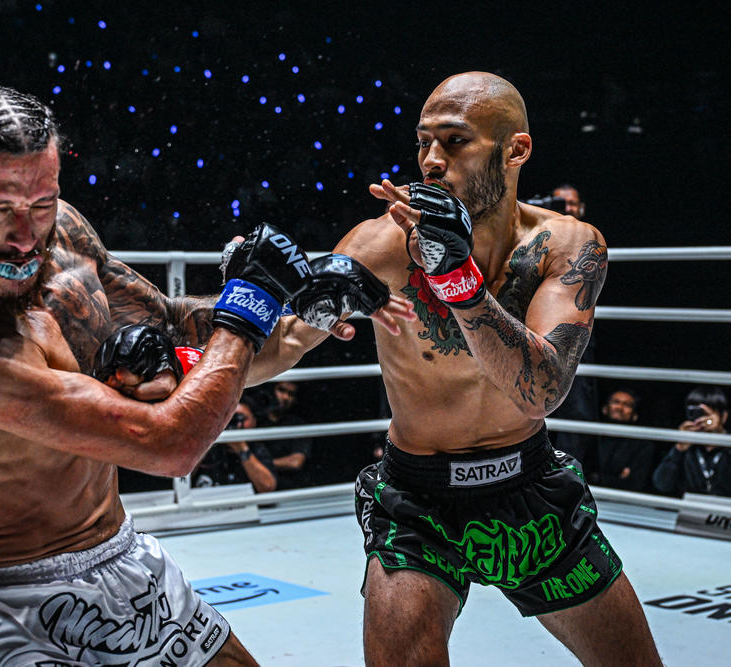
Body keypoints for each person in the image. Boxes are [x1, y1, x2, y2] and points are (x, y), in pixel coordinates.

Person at [0, 84, 383, 666]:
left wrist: (306, 312)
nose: (25, 236)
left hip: (126, 558)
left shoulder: (62, 237)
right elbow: (170, 445)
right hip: (21, 605)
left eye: (42, 201)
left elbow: (174, 323)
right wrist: (249, 302)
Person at [251, 72, 661, 665]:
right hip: (418, 501)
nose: (431, 161)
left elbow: (541, 391)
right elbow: (288, 341)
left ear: (515, 150)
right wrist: (238, 312)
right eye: (423, 142)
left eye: (455, 141)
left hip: (532, 490)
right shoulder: (382, 244)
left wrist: (457, 281)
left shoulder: (568, 245)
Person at [546, 184, 599, 472]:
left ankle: (569, 479)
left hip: (579, 344)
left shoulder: (594, 242)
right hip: (542, 338)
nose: (566, 209)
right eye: (559, 203)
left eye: (571, 203)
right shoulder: (537, 241)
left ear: (582, 208)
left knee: (576, 414)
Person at [652, 386, 731, 496]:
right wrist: (679, 448)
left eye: (707, 414)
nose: (702, 419)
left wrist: (720, 433)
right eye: (698, 413)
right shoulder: (687, 449)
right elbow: (662, 484)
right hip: (691, 505)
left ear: (724, 416)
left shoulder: (728, 445)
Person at [193, 393, 278, 493]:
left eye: (241, 418)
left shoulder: (258, 449)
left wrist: (242, 449)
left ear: (254, 421)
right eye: (230, 418)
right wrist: (209, 441)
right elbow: (183, 476)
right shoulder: (212, 447)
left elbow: (268, 487)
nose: (235, 424)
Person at [258, 381, 315, 489]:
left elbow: (296, 462)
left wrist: (259, 464)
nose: (285, 397)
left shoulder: (298, 425)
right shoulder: (256, 420)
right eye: (281, 390)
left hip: (287, 487)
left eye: (291, 394)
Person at [594, 388, 654, 491]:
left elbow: (634, 484)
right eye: (616, 402)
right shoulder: (591, 436)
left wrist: (596, 477)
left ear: (634, 416)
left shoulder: (642, 445)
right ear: (605, 409)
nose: (620, 408)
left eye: (627, 405)